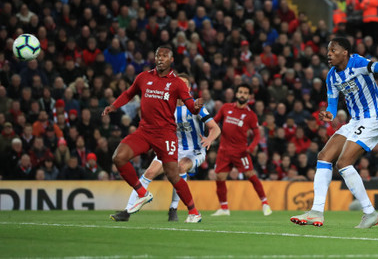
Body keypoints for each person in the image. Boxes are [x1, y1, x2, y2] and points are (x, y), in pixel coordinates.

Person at [290, 37, 378, 228]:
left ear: (345, 52)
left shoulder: (357, 62)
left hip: (374, 118)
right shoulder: (332, 76)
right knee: (324, 156)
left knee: (343, 162)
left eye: (333, 50)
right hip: (356, 120)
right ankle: (317, 212)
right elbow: (333, 105)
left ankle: (370, 213)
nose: (329, 54)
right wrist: (329, 114)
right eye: (328, 50)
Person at [102, 45, 204, 216]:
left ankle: (194, 211)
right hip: (144, 131)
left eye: (164, 56)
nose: (160, 58)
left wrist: (196, 107)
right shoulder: (143, 77)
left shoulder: (177, 83)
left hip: (165, 135)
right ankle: (142, 194)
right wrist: (113, 106)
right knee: (118, 158)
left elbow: (190, 106)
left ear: (171, 60)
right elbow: (128, 93)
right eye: (158, 55)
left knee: (173, 174)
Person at [110, 74, 221, 222]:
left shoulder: (195, 107)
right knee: (149, 172)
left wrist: (209, 139)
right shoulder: (166, 107)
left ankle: (174, 209)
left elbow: (215, 128)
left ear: (188, 88)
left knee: (180, 168)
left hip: (194, 150)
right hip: (171, 147)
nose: (183, 86)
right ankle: (127, 211)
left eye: (186, 84)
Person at [211, 83, 272, 216]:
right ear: (236, 94)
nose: (242, 95)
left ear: (249, 96)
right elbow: (214, 122)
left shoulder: (251, 115)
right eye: (240, 92)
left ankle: (265, 203)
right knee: (220, 177)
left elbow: (257, 135)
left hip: (240, 152)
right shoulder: (226, 108)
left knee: (250, 175)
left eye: (245, 93)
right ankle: (224, 208)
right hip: (224, 150)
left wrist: (251, 147)